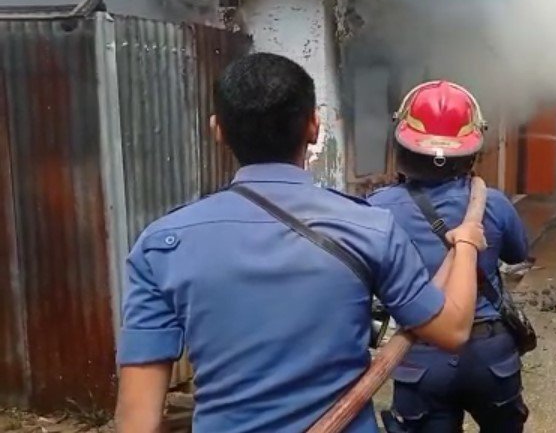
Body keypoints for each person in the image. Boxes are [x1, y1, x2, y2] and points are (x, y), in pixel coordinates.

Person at [114, 54, 487, 433]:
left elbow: (137, 419)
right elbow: (452, 331)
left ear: (218, 130)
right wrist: (467, 241)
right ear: (313, 127)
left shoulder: (161, 246)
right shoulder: (370, 227)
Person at [369, 80, 531, 432]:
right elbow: (519, 253)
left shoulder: (377, 210)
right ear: (471, 150)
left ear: (402, 146)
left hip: (421, 354)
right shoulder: (495, 203)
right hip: (490, 354)